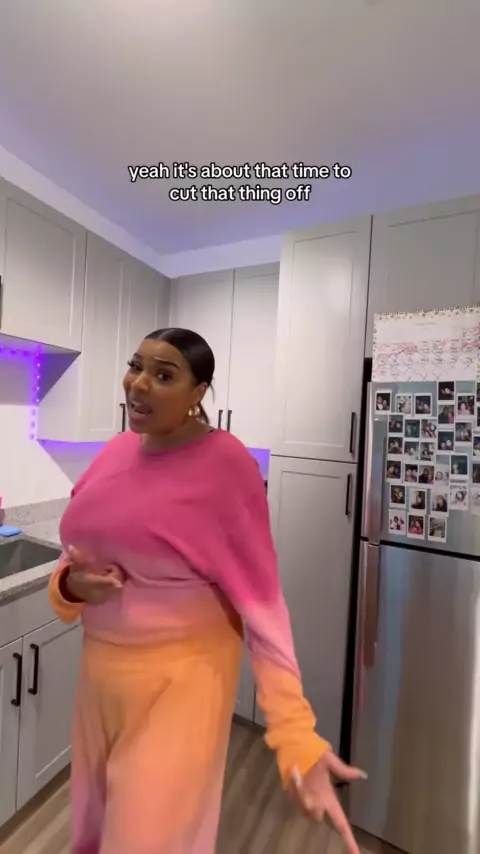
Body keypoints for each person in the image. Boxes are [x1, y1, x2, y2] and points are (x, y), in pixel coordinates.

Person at [48, 328, 365, 854]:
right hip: (100, 684)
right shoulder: (116, 450)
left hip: (182, 689)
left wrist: (295, 732)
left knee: (147, 840)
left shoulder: (227, 467)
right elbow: (76, 550)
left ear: (198, 392)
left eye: (163, 374)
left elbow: (263, 609)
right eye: (136, 366)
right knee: (93, 834)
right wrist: (71, 585)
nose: (138, 383)